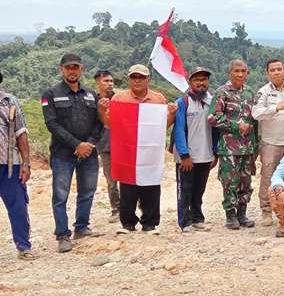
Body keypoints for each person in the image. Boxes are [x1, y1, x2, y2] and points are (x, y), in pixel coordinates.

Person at [99, 64, 176, 236]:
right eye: (134, 77)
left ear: (148, 79)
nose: (137, 80)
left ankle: (150, 223)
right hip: (127, 150)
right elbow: (109, 124)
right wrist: (102, 110)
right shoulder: (119, 99)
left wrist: (171, 114)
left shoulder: (159, 99)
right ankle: (127, 223)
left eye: (141, 77)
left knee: (152, 186)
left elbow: (163, 126)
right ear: (129, 79)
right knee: (127, 187)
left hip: (150, 152)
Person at [42, 53, 104, 252]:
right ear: (61, 69)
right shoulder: (50, 94)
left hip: (89, 153)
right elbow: (52, 124)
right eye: (68, 67)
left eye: (75, 67)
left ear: (81, 69)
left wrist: (89, 144)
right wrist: (77, 144)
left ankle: (82, 227)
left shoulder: (91, 95)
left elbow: (99, 123)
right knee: (61, 195)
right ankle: (62, 235)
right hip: (62, 154)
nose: (72, 70)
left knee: (87, 191)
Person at [208, 59, 259, 230]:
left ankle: (242, 214)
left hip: (247, 147)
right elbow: (213, 118)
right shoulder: (222, 93)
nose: (239, 74)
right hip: (229, 147)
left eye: (243, 71)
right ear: (229, 73)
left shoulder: (251, 93)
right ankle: (230, 215)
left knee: (245, 182)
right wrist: (235, 125)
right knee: (229, 181)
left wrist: (256, 146)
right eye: (236, 71)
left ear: (247, 73)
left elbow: (255, 119)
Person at [252, 58, 284, 226]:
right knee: (268, 177)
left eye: (279, 69)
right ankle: (266, 211)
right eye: (272, 70)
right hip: (270, 143)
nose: (277, 72)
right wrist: (275, 108)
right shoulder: (263, 92)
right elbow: (256, 113)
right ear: (268, 73)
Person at [173, 67, 219, 233]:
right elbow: (178, 129)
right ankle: (184, 222)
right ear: (190, 82)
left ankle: (198, 218)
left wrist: (215, 152)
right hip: (187, 156)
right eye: (197, 79)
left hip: (205, 154)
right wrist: (184, 154)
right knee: (184, 190)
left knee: (199, 189)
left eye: (204, 79)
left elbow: (215, 129)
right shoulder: (183, 102)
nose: (201, 82)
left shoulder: (212, 101)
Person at [0, 72, 36, 260]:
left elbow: (21, 132)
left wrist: (26, 163)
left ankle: (23, 246)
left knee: (18, 206)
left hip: (9, 165)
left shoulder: (9, 101)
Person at [93, 69, 119, 223]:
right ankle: (116, 209)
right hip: (104, 145)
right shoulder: (91, 101)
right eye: (106, 81)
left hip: (122, 144)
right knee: (111, 180)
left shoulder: (120, 98)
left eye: (111, 81)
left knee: (128, 179)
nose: (110, 84)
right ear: (98, 82)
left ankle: (133, 206)